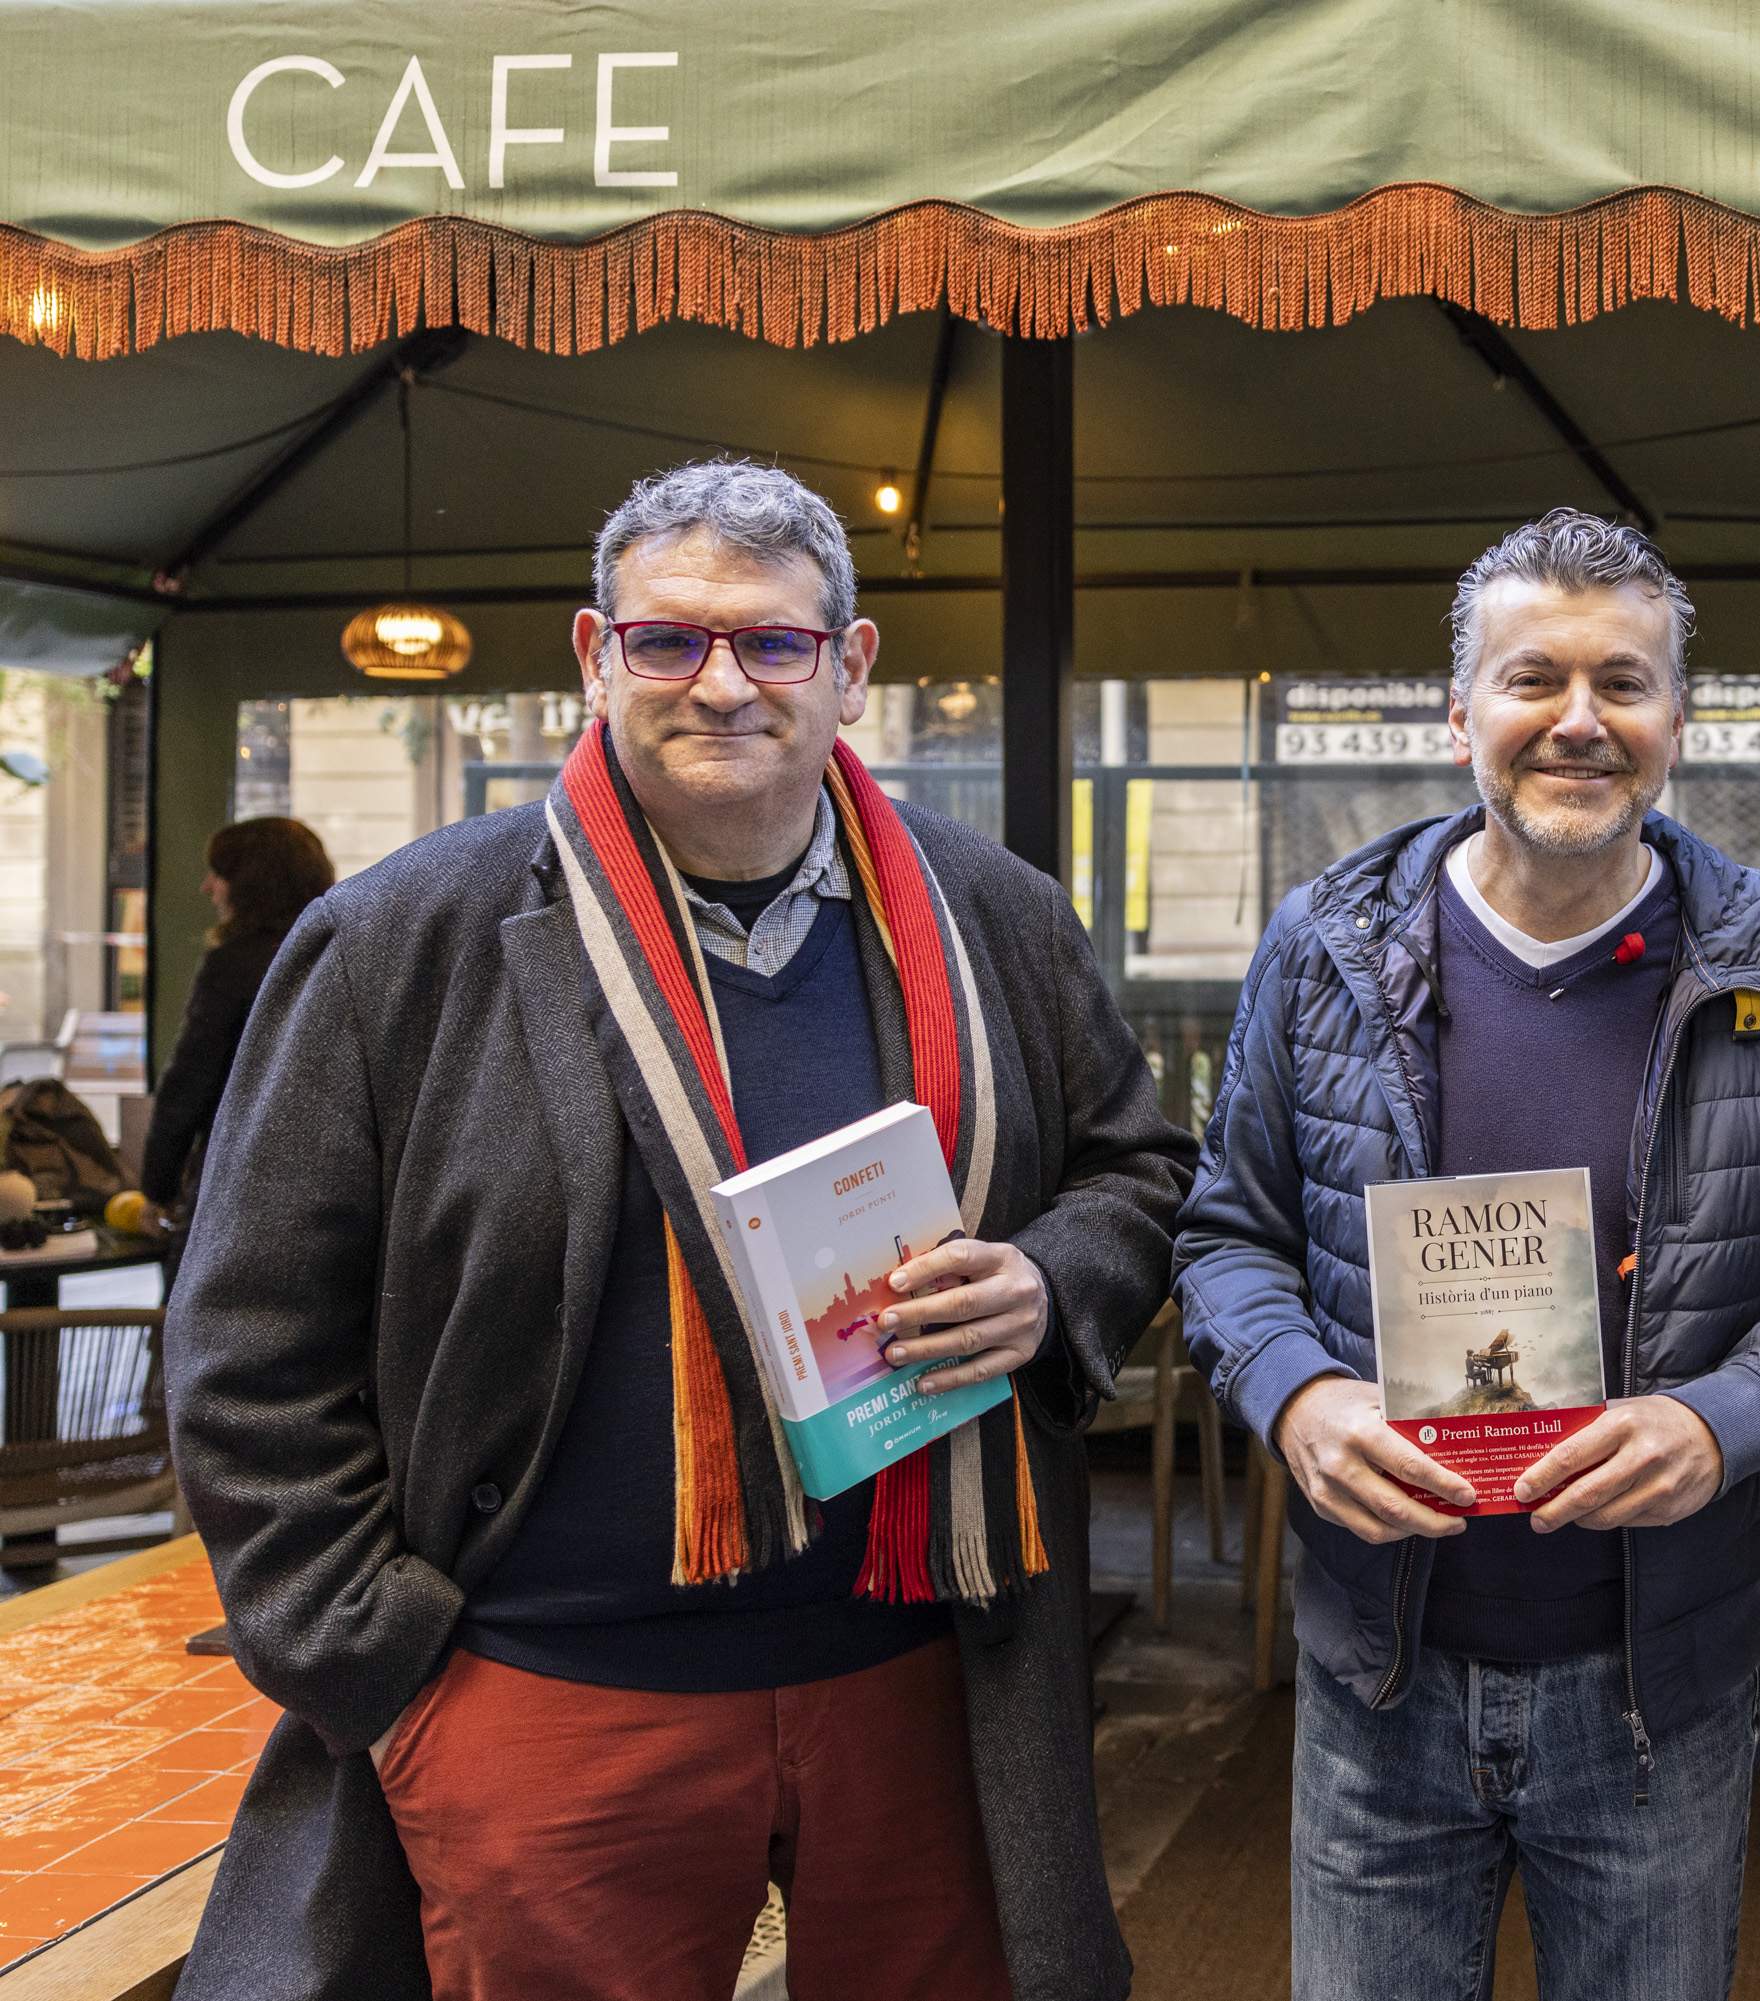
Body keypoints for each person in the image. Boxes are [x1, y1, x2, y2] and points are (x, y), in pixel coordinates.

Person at [166, 460, 1195, 2001]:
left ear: (850, 670)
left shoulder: (996, 913)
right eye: (670, 642)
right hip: (547, 1696)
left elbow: (1141, 1164)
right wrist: (381, 1666)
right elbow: (246, 1338)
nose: (722, 684)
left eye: (773, 643)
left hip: (922, 1678)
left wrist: (1054, 1280)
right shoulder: (402, 942)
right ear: (595, 657)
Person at [1177, 508, 1760, 2001]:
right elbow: (1228, 1235)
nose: (1579, 720)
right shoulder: (1323, 945)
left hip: (1659, 1689)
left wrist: (1726, 1420)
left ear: (1677, 719)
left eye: (1625, 683)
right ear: (1462, 713)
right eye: (1533, 679)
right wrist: (1298, 1397)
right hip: (1379, 1674)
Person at [140, 816, 335, 1214]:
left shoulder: (233, 965)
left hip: (240, 1179)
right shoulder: (337, 954)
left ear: (249, 884)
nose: (207, 887)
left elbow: (191, 1080)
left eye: (219, 874)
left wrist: (157, 1187)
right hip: (331, 1176)